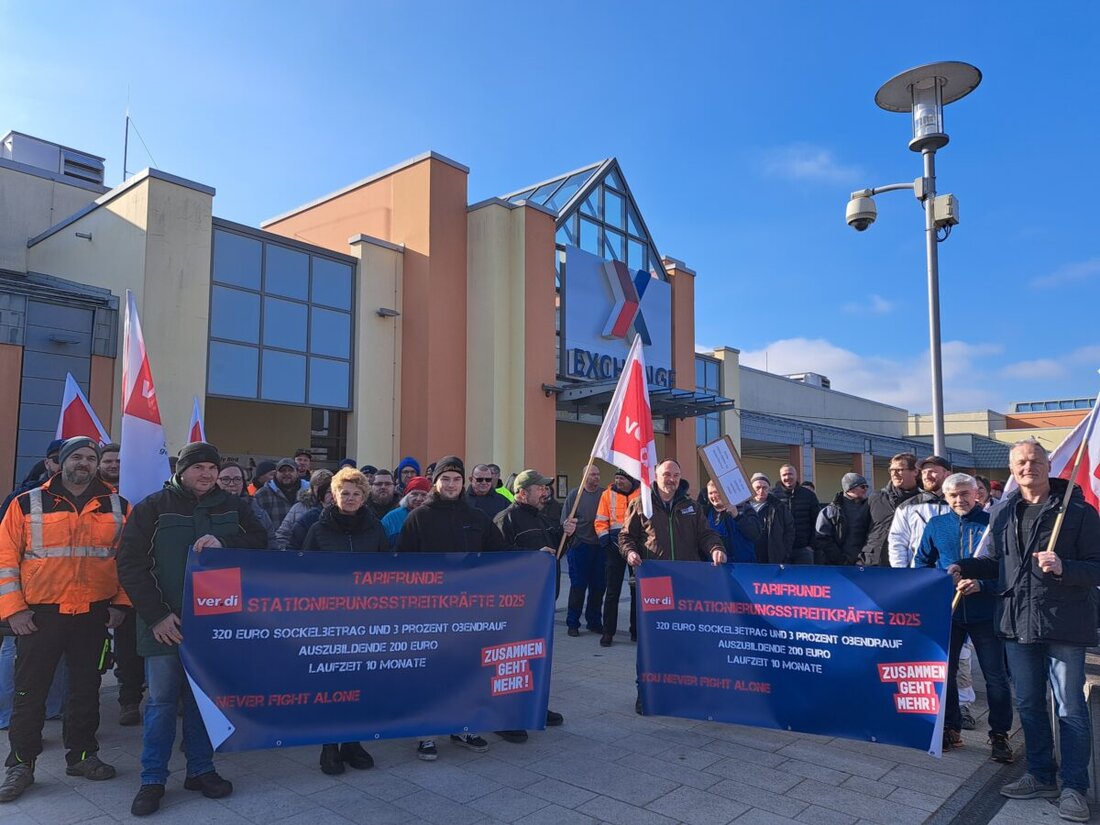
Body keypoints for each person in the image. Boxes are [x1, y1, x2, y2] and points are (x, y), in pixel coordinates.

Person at [115, 441, 268, 817]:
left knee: (204, 701)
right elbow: (131, 564)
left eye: (212, 469)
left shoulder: (235, 506)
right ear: (181, 471)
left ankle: (201, 770)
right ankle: (152, 779)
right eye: (198, 468)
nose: (207, 474)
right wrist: (156, 616)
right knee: (162, 703)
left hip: (214, 624)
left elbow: (261, 544)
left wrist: (225, 541)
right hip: (166, 623)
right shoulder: (154, 507)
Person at [952, 440, 1100, 823]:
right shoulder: (1003, 511)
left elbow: (1097, 567)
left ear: (1049, 465)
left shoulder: (1078, 511)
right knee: (1030, 705)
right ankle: (1040, 774)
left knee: (1069, 707)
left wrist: (1065, 566)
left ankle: (1074, 787)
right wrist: (964, 567)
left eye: (1035, 460)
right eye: (1020, 462)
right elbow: (996, 562)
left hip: (1063, 623)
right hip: (1015, 622)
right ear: (1011, 468)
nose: (1027, 467)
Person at [0, 437, 131, 802]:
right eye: (77, 456)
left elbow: (127, 561)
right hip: (39, 616)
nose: (84, 462)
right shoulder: (26, 503)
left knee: (85, 690)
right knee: (29, 692)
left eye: (91, 457)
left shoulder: (119, 506)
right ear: (60, 462)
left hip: (93, 614)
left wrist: (120, 605)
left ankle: (83, 755)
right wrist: (14, 610)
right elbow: (5, 560)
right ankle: (21, 764)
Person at [396, 457, 496, 760]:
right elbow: (403, 562)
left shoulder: (477, 517)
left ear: (463, 482)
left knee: (465, 669)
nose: (451, 484)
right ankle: (426, 733)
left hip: (469, 610)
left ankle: (463, 725)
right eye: (446, 479)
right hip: (429, 610)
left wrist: (541, 554)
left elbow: (502, 555)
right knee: (430, 671)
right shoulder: (419, 517)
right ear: (435, 482)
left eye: (456, 479)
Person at [915, 473, 1013, 761]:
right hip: (950, 611)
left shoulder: (994, 524)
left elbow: (1008, 569)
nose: (960, 499)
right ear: (945, 497)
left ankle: (999, 734)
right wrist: (938, 583)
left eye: (965, 494)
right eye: (954, 495)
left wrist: (983, 585)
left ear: (977, 494)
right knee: (945, 672)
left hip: (987, 611)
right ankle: (950, 727)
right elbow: (922, 562)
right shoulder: (936, 525)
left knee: (996, 676)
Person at [620, 459, 725, 713]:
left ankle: (684, 690)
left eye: (676, 475)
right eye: (667, 474)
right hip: (655, 583)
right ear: (656, 476)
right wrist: (630, 553)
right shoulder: (641, 503)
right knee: (653, 641)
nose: (672, 479)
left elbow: (706, 535)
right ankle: (646, 691)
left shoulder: (692, 506)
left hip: (687, 584)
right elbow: (625, 537)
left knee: (686, 639)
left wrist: (716, 548)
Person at [301, 468, 384, 775]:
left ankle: (352, 742)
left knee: (358, 682)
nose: (350, 498)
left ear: (364, 497)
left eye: (356, 493)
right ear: (333, 496)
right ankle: (328, 746)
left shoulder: (374, 530)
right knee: (331, 684)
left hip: (364, 618)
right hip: (328, 618)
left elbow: (387, 572)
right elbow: (304, 572)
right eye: (344, 493)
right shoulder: (317, 529)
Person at [494, 469, 575, 741]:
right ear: (522, 492)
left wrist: (568, 535)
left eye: (546, 488)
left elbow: (555, 554)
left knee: (535, 659)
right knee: (510, 661)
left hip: (540, 603)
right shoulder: (506, 519)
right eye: (540, 488)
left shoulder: (541, 518)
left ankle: (534, 706)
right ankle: (506, 717)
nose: (546, 492)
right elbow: (497, 559)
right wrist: (531, 556)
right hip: (515, 604)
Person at [595, 469, 641, 646]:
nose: (619, 481)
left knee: (636, 590)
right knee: (612, 591)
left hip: (636, 548)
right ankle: (608, 632)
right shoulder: (607, 494)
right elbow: (600, 519)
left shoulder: (643, 493)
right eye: (617, 478)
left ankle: (636, 631)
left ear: (631, 479)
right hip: (613, 547)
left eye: (622, 478)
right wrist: (604, 538)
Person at [561, 466, 605, 637]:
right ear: (585, 476)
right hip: (581, 547)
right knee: (578, 586)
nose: (597, 477)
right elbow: (565, 521)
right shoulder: (575, 495)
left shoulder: (604, 494)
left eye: (598, 474)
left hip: (600, 547)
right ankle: (573, 622)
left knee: (599, 586)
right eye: (593, 474)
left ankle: (594, 621)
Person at [888, 455, 951, 568]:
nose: (927, 476)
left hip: (954, 574)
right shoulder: (907, 507)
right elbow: (897, 543)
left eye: (932, 472)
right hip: (919, 573)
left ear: (947, 474)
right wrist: (901, 572)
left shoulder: (958, 505)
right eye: (924, 472)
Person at [863, 452, 921, 567]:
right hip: (875, 563)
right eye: (891, 470)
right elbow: (859, 529)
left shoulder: (924, 501)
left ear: (915, 471)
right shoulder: (876, 497)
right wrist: (860, 557)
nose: (894, 474)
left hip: (909, 565)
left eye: (899, 469)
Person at [813, 473, 871, 565]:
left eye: (867, 486)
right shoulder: (830, 512)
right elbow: (822, 539)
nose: (866, 489)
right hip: (838, 567)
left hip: (865, 564)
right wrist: (841, 560)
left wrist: (864, 559)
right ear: (850, 489)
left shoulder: (871, 509)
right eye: (862, 487)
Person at [216, 461, 277, 548]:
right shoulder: (207, 508)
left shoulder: (258, 512)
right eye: (225, 479)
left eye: (237, 479)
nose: (232, 484)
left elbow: (270, 543)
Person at [0, 439, 64, 520]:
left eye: (66, 459)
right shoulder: (22, 498)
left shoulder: (82, 498)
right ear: (47, 463)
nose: (63, 465)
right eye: (57, 459)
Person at [702, 479, 762, 564]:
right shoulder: (706, 513)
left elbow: (755, 534)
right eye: (710, 493)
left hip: (744, 566)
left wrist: (737, 516)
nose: (714, 496)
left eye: (716, 492)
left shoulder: (744, 508)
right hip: (717, 566)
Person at [770, 464, 818, 564]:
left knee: (806, 579)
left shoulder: (809, 495)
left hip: (803, 550)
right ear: (780, 477)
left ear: (796, 476)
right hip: (780, 550)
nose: (787, 477)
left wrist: (811, 546)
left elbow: (817, 522)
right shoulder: (773, 496)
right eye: (784, 475)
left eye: (790, 474)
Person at [274, 469, 333, 550]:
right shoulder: (299, 507)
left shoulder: (339, 509)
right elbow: (283, 534)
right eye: (318, 485)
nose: (322, 490)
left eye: (327, 487)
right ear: (312, 487)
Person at [746, 473, 795, 564]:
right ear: (751, 488)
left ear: (769, 488)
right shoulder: (742, 506)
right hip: (747, 555)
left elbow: (789, 531)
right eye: (757, 488)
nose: (761, 491)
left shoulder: (779, 507)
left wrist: (784, 552)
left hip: (771, 557)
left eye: (764, 488)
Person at [253, 458, 308, 529]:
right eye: (282, 470)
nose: (287, 473)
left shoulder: (309, 492)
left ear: (297, 473)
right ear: (276, 474)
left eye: (290, 470)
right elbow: (257, 524)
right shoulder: (262, 494)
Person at [381, 476, 431, 547]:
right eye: (414, 494)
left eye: (423, 495)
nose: (419, 498)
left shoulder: (434, 517)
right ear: (407, 496)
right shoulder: (391, 518)